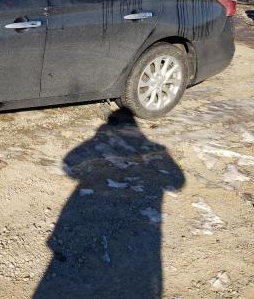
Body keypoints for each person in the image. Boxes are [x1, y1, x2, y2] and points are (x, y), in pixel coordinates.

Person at [34, 110, 184, 299]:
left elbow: (68, 165)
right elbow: (177, 182)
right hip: (135, 226)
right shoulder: (153, 149)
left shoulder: (99, 143)